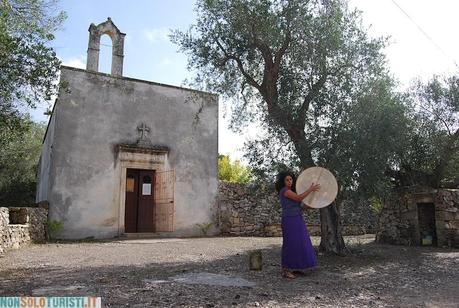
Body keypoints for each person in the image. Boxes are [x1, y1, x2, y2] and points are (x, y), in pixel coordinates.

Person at [276, 171, 320, 279]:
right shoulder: (285, 191)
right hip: (289, 220)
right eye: (287, 180)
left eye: (291, 179)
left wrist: (314, 205)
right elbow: (299, 198)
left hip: (297, 218)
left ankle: (295, 267)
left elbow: (301, 206)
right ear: (283, 181)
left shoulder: (292, 191)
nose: (289, 181)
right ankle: (286, 270)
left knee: (300, 242)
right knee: (290, 243)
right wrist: (311, 189)